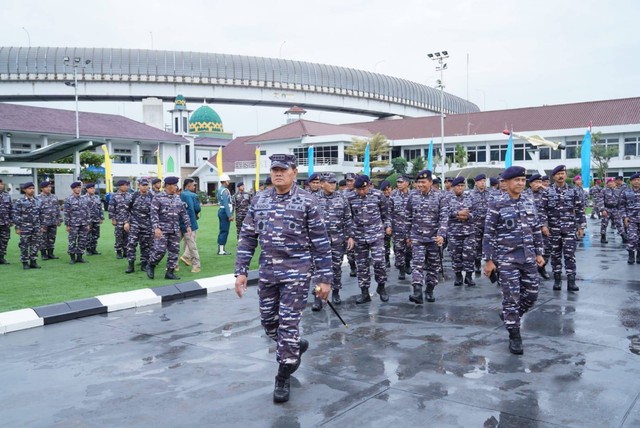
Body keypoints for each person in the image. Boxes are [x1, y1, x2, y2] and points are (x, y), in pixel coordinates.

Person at [234, 154, 332, 404]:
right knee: (269, 323)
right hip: (268, 272)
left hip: (297, 273)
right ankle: (294, 346)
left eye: (283, 169)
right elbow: (247, 237)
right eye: (274, 169)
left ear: (294, 172)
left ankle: (283, 374)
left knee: (288, 324)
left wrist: (325, 279)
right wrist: (241, 271)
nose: (278, 173)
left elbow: (321, 243)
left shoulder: (307, 202)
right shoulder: (260, 200)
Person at [483, 166, 545, 355]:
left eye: (523, 180)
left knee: (532, 294)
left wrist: (539, 253)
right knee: (511, 297)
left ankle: (511, 316)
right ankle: (515, 336)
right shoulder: (497, 203)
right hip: (506, 258)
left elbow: (535, 228)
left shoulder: (528, 200)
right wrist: (489, 260)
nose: (520, 183)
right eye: (517, 180)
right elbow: (489, 232)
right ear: (507, 182)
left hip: (528, 257)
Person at [345, 175, 391, 303]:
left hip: (376, 234)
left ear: (369, 186)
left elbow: (386, 214)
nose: (361, 192)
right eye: (358, 189)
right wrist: (350, 235)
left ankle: (381, 287)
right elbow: (348, 217)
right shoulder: (350, 197)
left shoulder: (378, 195)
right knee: (362, 265)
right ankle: (364, 293)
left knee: (379, 262)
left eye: (363, 189)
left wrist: (387, 226)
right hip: (359, 235)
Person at [541, 165, 586, 292]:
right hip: (553, 229)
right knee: (555, 255)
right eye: (558, 174)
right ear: (554, 176)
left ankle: (571, 281)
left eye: (563, 173)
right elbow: (542, 210)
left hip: (569, 229)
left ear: (566, 175)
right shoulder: (547, 192)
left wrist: (581, 227)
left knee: (570, 255)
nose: (560, 176)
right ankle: (557, 280)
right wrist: (544, 225)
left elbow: (579, 210)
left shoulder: (574, 191)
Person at [406, 170, 448, 303]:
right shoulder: (413, 197)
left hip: (434, 238)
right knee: (417, 264)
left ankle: (429, 289)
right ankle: (417, 292)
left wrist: (441, 234)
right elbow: (408, 217)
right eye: (418, 182)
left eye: (423, 182)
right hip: (417, 237)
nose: (420, 185)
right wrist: (408, 235)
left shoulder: (440, 197)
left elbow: (444, 217)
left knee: (433, 266)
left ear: (430, 182)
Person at [315, 173, 354, 308]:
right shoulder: (314, 199)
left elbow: (348, 219)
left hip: (338, 239)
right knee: (318, 269)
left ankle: (336, 292)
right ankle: (318, 297)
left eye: (334, 183)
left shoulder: (342, 198)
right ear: (322, 184)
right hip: (319, 241)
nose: (333, 185)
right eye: (329, 182)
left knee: (336, 267)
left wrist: (350, 236)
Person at [146, 176, 191, 280]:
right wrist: (156, 228)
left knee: (174, 251)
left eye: (176, 185)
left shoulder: (177, 198)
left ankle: (170, 272)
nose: (176, 187)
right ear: (167, 186)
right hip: (162, 230)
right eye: (174, 185)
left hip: (175, 229)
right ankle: (151, 265)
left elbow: (183, 212)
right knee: (160, 250)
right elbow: (153, 214)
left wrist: (188, 225)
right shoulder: (158, 197)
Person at [447, 176, 477, 286]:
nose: (460, 188)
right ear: (453, 187)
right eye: (458, 186)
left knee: (469, 254)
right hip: (454, 232)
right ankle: (458, 276)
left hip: (469, 232)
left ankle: (468, 276)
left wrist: (468, 216)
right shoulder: (447, 198)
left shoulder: (470, 197)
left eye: (462, 186)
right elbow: (445, 213)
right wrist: (458, 214)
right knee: (456, 255)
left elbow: (476, 212)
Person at [124, 178, 154, 273]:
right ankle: (131, 265)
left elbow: (154, 211)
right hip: (134, 224)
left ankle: (144, 264)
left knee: (146, 245)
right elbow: (127, 210)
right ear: (139, 186)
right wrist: (126, 222)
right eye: (143, 185)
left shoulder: (152, 196)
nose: (145, 187)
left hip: (147, 224)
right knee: (131, 244)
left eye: (146, 185)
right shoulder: (133, 196)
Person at [525, 174, 551, 279]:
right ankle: (531, 271)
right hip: (529, 227)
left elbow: (557, 197)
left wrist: (544, 188)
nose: (537, 185)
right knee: (530, 249)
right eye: (535, 182)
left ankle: (541, 267)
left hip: (544, 225)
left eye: (539, 182)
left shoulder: (545, 193)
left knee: (547, 248)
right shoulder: (525, 194)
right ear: (530, 184)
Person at [13, 182, 44, 270]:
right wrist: (18, 227)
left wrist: (42, 226)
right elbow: (16, 215)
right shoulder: (20, 201)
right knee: (24, 244)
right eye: (30, 188)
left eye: (33, 188)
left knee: (36, 244)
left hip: (36, 227)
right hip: (25, 227)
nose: (32, 190)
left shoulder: (38, 201)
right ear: (24, 190)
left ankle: (33, 261)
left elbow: (41, 214)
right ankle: (25, 262)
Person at [390, 175, 412, 280]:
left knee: (409, 249)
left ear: (407, 183)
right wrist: (389, 225)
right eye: (397, 182)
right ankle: (401, 270)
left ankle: (407, 263)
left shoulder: (413, 195)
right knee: (399, 249)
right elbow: (389, 212)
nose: (398, 184)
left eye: (401, 182)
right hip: (397, 228)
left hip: (411, 228)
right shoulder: (393, 195)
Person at [64, 181, 91, 264]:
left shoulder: (84, 199)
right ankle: (72, 258)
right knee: (72, 240)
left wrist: (88, 223)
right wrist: (68, 225)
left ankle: (80, 257)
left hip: (83, 223)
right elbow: (66, 213)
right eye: (76, 188)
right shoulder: (68, 199)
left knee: (82, 240)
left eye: (79, 188)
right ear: (73, 189)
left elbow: (87, 212)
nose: (78, 189)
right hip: (73, 224)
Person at [180, 178, 202, 273]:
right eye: (193, 185)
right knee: (192, 244)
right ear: (188, 186)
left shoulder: (178, 195)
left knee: (175, 244)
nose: (194, 187)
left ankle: (174, 264)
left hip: (179, 222)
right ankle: (196, 266)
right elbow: (196, 208)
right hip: (191, 222)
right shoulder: (193, 195)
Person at [470, 174, 490, 276]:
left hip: (487, 224)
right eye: (481, 181)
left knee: (488, 245)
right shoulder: (471, 194)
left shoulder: (490, 194)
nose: (483, 183)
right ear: (476, 182)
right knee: (476, 245)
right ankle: (477, 263)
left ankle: (489, 264)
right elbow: (468, 208)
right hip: (476, 224)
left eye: (484, 180)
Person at [37, 181, 62, 260]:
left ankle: (51, 253)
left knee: (52, 238)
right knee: (42, 238)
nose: (49, 188)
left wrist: (59, 219)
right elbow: (36, 211)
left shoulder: (54, 197)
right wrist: (38, 223)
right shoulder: (38, 198)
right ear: (42, 188)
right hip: (43, 222)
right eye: (47, 187)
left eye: (50, 187)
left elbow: (58, 209)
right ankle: (44, 254)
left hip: (53, 221)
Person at [108, 179, 131, 259]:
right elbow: (111, 208)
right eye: (123, 185)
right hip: (118, 219)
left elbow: (132, 208)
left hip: (128, 220)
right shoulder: (114, 196)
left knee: (127, 236)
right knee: (119, 236)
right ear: (119, 186)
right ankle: (118, 251)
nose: (125, 187)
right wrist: (113, 219)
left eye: (126, 185)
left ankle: (125, 251)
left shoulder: (129, 195)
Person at [620, 173, 640, 264]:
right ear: (631, 181)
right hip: (631, 219)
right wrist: (625, 216)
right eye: (635, 180)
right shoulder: (626, 192)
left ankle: (639, 255)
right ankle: (631, 255)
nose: (637, 182)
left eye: (638, 180)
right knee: (632, 238)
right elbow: (622, 206)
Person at [597, 177, 622, 244]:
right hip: (607, 209)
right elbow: (600, 200)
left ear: (614, 183)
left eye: (612, 182)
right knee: (604, 224)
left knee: (619, 223)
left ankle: (623, 236)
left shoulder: (618, 190)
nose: (611, 183)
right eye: (609, 182)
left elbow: (619, 201)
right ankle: (603, 237)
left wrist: (619, 210)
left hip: (615, 209)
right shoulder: (603, 190)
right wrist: (602, 210)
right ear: (607, 183)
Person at [343, 172, 357, 277]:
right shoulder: (342, 194)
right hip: (348, 225)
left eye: (351, 180)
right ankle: (353, 266)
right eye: (347, 181)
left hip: (360, 225)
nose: (349, 183)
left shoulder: (360, 192)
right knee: (350, 251)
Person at [84, 183, 104, 255]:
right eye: (91, 188)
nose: (93, 190)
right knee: (88, 235)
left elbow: (100, 208)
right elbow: (82, 210)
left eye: (93, 188)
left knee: (96, 234)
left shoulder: (97, 197)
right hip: (88, 220)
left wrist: (101, 217)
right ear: (87, 189)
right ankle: (88, 249)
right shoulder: (83, 198)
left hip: (96, 219)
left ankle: (94, 248)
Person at [216, 174, 233, 255]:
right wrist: (229, 215)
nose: (228, 182)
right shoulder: (224, 190)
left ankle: (221, 248)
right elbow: (226, 203)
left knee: (222, 230)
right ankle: (221, 250)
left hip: (222, 210)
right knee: (224, 230)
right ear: (225, 181)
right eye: (228, 180)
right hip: (224, 211)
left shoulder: (221, 189)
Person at [379, 180, 392, 269]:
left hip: (396, 223)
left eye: (388, 189)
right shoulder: (380, 198)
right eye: (384, 190)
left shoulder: (394, 197)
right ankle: (386, 259)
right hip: (384, 224)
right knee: (385, 242)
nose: (387, 192)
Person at [0, 178, 12, 265]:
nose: (1, 185)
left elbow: (11, 209)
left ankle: (1, 257)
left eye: (1, 184)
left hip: (5, 222)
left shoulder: (7, 195)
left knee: (4, 240)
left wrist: (11, 220)